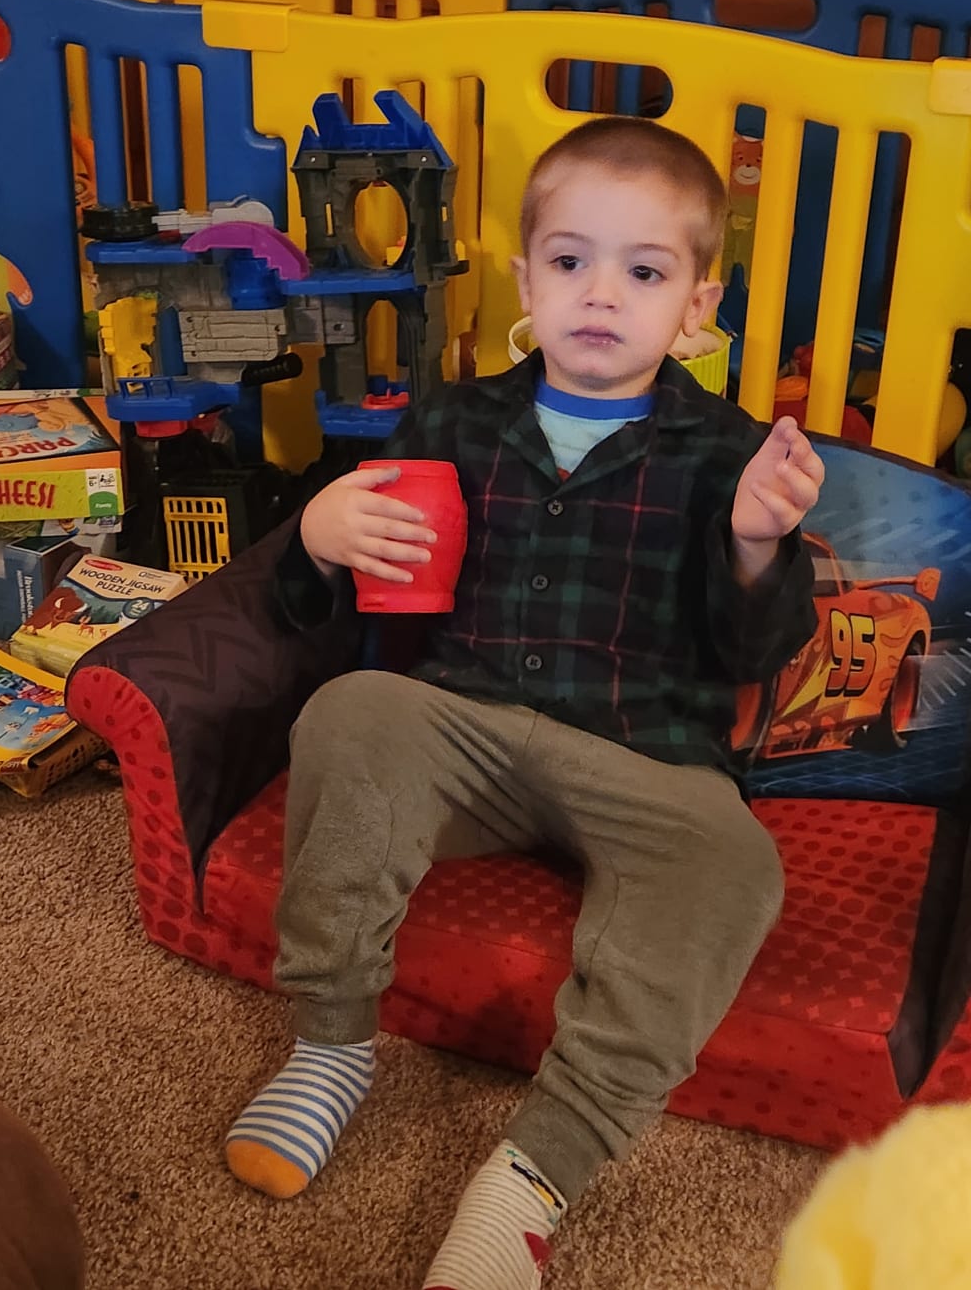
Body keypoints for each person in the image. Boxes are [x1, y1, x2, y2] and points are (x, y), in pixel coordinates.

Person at [225, 115, 824, 1289]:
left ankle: (533, 1173)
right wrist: (319, 534)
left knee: (735, 865)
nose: (599, 294)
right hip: (470, 730)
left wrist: (758, 544)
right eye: (568, 261)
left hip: (651, 757)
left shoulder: (728, 451)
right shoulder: (453, 419)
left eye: (642, 272)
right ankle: (332, 1046)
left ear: (696, 307)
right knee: (352, 711)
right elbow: (333, 608)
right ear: (525, 280)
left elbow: (757, 651)